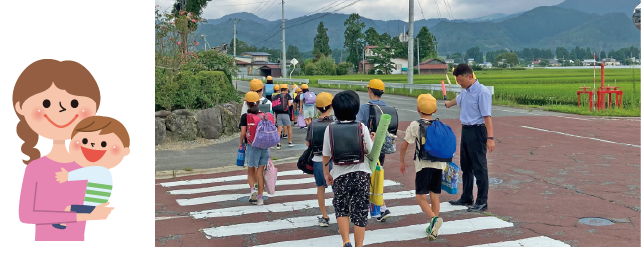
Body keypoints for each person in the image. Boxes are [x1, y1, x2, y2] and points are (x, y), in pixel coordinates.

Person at [14, 59, 113, 241]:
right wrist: (82, 216)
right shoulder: (35, 168)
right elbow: (26, 215)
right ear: (21, 107)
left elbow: (100, 198)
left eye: (74, 104)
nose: (60, 110)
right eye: (46, 103)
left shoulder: (87, 166)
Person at [52, 116, 130, 230]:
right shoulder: (103, 171)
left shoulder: (100, 170)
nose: (92, 145)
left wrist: (68, 176)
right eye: (85, 141)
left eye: (103, 144)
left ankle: (62, 222)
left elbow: (85, 173)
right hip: (93, 204)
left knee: (69, 207)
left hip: (93, 206)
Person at [323, 90, 374, 247]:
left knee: (341, 207)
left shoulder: (330, 129)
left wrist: (327, 174)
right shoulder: (361, 127)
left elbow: (326, 155)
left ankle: (346, 241)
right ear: (356, 110)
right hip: (361, 174)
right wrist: (370, 139)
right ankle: (358, 247)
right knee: (360, 211)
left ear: (335, 110)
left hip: (340, 175)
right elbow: (370, 151)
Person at [445, 63, 495, 212]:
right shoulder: (465, 91)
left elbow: (487, 117)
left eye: (460, 80)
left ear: (470, 76)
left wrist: (490, 138)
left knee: (479, 167)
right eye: (457, 81)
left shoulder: (482, 92)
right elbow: (458, 100)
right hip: (466, 131)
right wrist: (449, 104)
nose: (459, 83)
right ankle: (467, 196)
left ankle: (482, 201)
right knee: (466, 166)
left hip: (478, 131)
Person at [399, 94, 446, 241]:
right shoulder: (439, 125)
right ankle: (433, 228)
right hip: (439, 164)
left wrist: (401, 161)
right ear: (435, 110)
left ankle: (433, 219)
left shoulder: (415, 124)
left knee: (420, 197)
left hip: (423, 165)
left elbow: (405, 145)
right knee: (434, 195)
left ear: (418, 109)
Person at [355, 79, 392, 222]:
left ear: (370, 90)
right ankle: (380, 207)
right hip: (382, 147)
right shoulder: (388, 109)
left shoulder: (364, 108)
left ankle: (381, 208)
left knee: (367, 177)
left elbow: (358, 127)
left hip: (368, 148)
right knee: (376, 174)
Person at [305, 92, 335, 227]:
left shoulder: (313, 125)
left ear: (317, 108)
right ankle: (343, 213)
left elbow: (308, 144)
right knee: (338, 189)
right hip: (335, 161)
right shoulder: (336, 123)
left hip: (318, 160)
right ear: (332, 106)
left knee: (320, 188)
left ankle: (324, 216)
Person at [239, 91, 272, 205]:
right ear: (258, 102)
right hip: (264, 146)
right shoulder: (264, 114)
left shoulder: (245, 116)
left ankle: (253, 189)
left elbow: (243, 132)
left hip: (252, 145)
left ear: (246, 103)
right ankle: (260, 198)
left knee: (250, 170)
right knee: (260, 171)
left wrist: (240, 144)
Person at [274, 84, 293, 149]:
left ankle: (278, 144)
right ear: (287, 89)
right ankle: (290, 142)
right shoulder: (287, 95)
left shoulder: (277, 96)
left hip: (278, 114)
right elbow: (289, 104)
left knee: (279, 129)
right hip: (286, 114)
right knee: (289, 127)